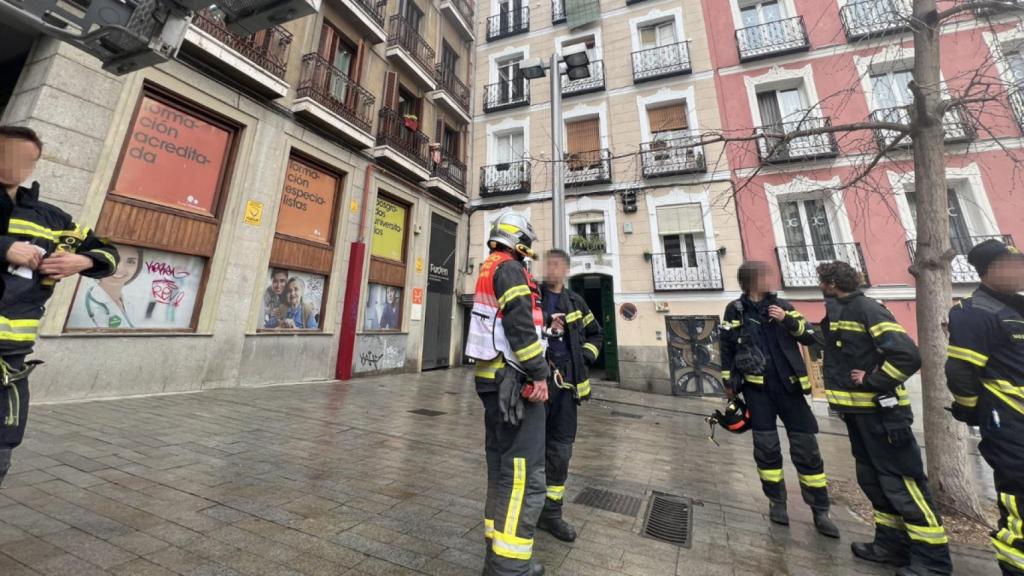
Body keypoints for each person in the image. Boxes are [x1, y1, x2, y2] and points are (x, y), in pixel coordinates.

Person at [0, 125, 119, 486]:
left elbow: (108, 251)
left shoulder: (53, 219)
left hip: (9, 362)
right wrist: (3, 247)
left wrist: (81, 262)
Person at [818, 261, 951, 576]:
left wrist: (873, 380)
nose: (820, 286)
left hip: (883, 415)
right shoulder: (840, 311)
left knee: (903, 483)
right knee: (875, 482)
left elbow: (908, 355)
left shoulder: (868, 310)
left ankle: (933, 562)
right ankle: (891, 546)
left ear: (833, 283)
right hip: (858, 416)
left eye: (823, 281)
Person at [719, 261, 839, 537]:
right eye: (763, 276)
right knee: (766, 447)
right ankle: (777, 502)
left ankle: (820, 510)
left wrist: (787, 319)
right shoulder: (735, 310)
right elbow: (725, 346)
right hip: (757, 389)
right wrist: (729, 382)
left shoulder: (784, 306)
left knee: (806, 449)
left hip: (790, 387)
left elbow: (811, 337)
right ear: (749, 281)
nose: (769, 280)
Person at [465, 212, 549, 576]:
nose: (529, 251)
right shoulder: (512, 269)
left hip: (492, 381)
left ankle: (495, 550)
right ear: (519, 240)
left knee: (501, 468)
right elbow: (518, 324)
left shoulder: (488, 267)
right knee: (523, 475)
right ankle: (510, 565)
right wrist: (540, 373)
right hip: (513, 383)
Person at [945, 239, 1024, 576]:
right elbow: (960, 371)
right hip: (1011, 424)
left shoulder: (1016, 308)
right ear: (990, 270)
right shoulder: (974, 311)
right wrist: (972, 409)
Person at [536, 249, 602, 543]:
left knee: (560, 453)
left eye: (558, 265)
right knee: (531, 450)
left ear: (566, 270)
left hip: (565, 390)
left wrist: (583, 360)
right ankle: (528, 510)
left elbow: (595, 334)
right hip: (536, 383)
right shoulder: (532, 296)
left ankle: (552, 514)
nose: (553, 270)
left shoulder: (576, 302)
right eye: (549, 264)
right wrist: (547, 329)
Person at [76, 245, 141, 328]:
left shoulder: (130, 303)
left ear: (137, 267)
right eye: (113, 259)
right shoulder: (79, 307)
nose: (119, 268)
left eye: (131, 262)